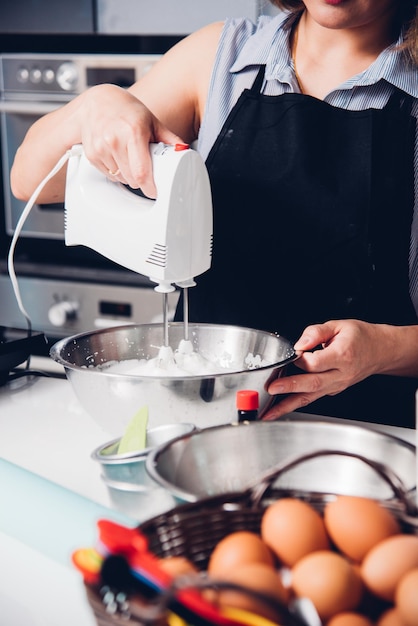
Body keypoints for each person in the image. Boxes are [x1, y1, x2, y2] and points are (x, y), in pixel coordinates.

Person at [10, 0, 418, 428]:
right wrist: (94, 106)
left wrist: (383, 348)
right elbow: (29, 180)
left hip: (364, 440)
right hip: (196, 423)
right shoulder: (219, 59)